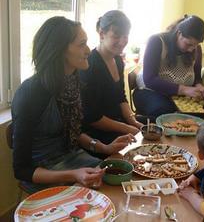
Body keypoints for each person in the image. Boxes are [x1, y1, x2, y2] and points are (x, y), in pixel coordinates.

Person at [11, 16, 135, 194]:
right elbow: (21, 170)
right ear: (59, 50)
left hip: (74, 160)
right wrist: (73, 175)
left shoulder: (71, 81)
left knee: (124, 179)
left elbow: (72, 133)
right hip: (45, 172)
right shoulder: (31, 92)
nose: (87, 50)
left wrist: (104, 148)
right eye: (81, 44)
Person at [79, 10, 141, 156]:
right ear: (102, 34)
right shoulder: (90, 65)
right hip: (97, 132)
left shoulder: (118, 60)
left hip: (118, 122)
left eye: (125, 36)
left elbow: (121, 96)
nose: (122, 41)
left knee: (153, 128)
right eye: (116, 36)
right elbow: (92, 117)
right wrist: (127, 128)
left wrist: (133, 122)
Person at [133, 15, 204, 118]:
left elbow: (197, 77)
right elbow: (150, 80)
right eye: (188, 44)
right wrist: (184, 89)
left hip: (178, 97)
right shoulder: (157, 41)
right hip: (149, 92)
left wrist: (199, 85)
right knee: (166, 111)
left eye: (196, 45)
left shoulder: (196, 49)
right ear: (179, 33)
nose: (192, 49)